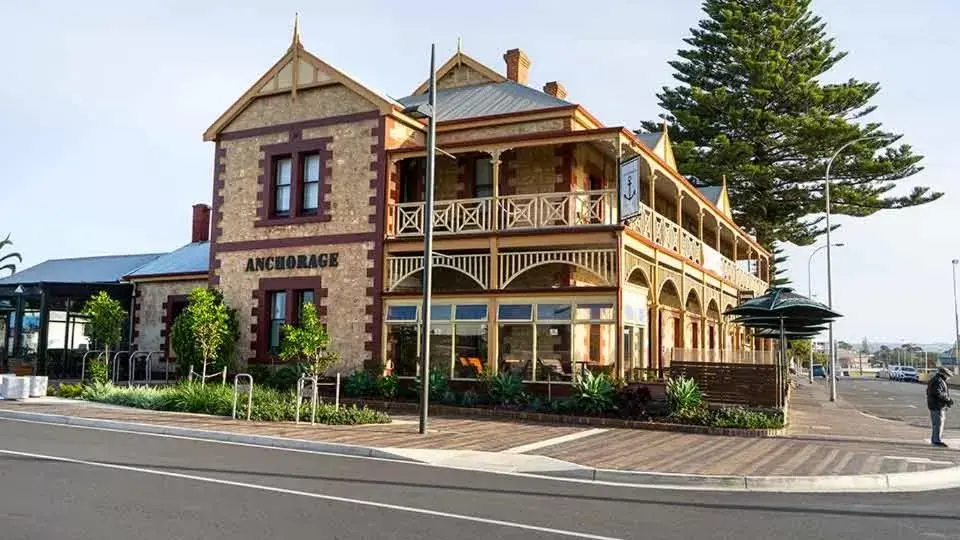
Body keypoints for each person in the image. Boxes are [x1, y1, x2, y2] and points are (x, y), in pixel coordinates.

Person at [926, 367, 954, 447]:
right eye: (947, 375)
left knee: (937, 424)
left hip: (936, 405)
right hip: (937, 406)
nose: (948, 377)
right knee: (938, 424)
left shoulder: (936, 380)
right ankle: (936, 441)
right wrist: (947, 399)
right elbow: (938, 393)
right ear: (943, 374)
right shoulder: (938, 381)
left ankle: (935, 439)